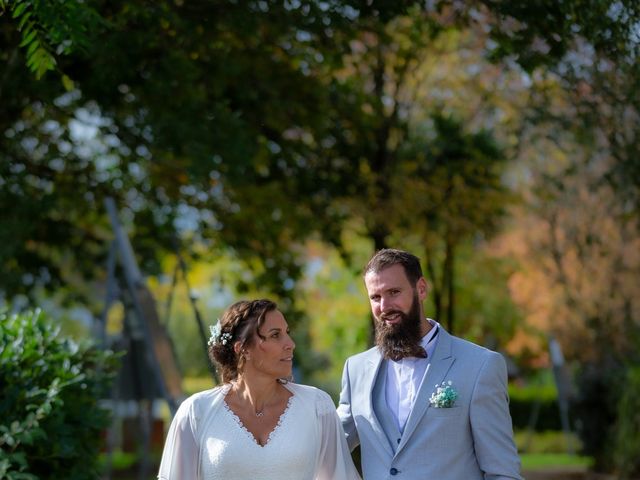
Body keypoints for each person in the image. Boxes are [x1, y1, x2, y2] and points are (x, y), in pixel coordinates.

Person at [337, 249, 522, 479]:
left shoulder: (480, 366)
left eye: (394, 292)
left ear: (421, 289)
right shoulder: (355, 369)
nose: (384, 306)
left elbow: (502, 471)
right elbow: (329, 444)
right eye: (375, 297)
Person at [158, 299, 360, 480]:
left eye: (287, 334)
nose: (290, 344)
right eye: (275, 335)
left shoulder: (317, 406)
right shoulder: (196, 412)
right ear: (242, 348)